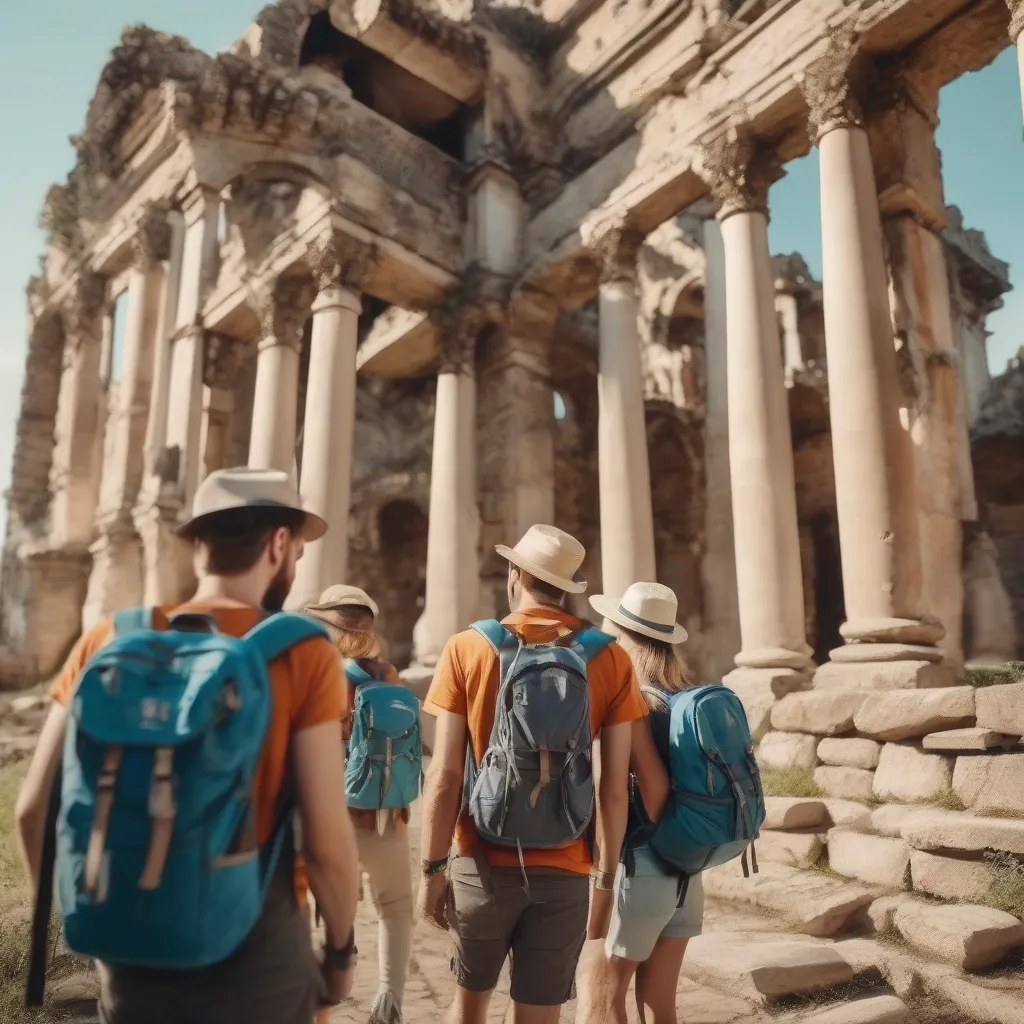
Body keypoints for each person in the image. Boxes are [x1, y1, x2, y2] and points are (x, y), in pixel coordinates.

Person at [14, 468, 360, 1024]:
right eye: (296, 547)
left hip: (130, 947)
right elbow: (326, 842)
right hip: (257, 952)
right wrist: (341, 950)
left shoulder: (109, 638)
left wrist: (96, 919)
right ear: (278, 545)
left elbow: (32, 811)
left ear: (200, 544)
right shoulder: (305, 653)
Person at [417, 524, 649, 1024]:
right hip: (564, 866)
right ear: (568, 586)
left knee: (468, 1011)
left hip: (481, 861)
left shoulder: (466, 647)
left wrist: (433, 869)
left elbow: (445, 773)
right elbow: (613, 789)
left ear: (516, 573)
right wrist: (605, 882)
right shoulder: (609, 657)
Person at [580, 582, 704, 1024]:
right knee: (660, 1004)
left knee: (605, 994)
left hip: (642, 868)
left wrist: (603, 883)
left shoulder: (632, 705)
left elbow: (644, 791)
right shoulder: (681, 700)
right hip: (687, 873)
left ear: (623, 638)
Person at [305, 584, 415, 1024]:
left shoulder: (323, 676)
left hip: (334, 817)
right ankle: (389, 1002)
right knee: (396, 907)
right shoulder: (387, 675)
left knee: (334, 915)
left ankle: (325, 1007)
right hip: (387, 813)